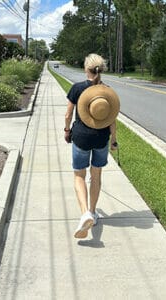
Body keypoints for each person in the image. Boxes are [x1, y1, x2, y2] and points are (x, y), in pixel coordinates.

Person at [64, 53, 120, 239]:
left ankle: (85, 213)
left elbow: (68, 114)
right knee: (96, 176)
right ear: (101, 70)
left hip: (81, 137)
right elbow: (112, 120)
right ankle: (93, 212)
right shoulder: (108, 92)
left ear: (86, 69)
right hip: (101, 139)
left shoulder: (77, 88)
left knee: (79, 174)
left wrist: (66, 130)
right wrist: (113, 140)